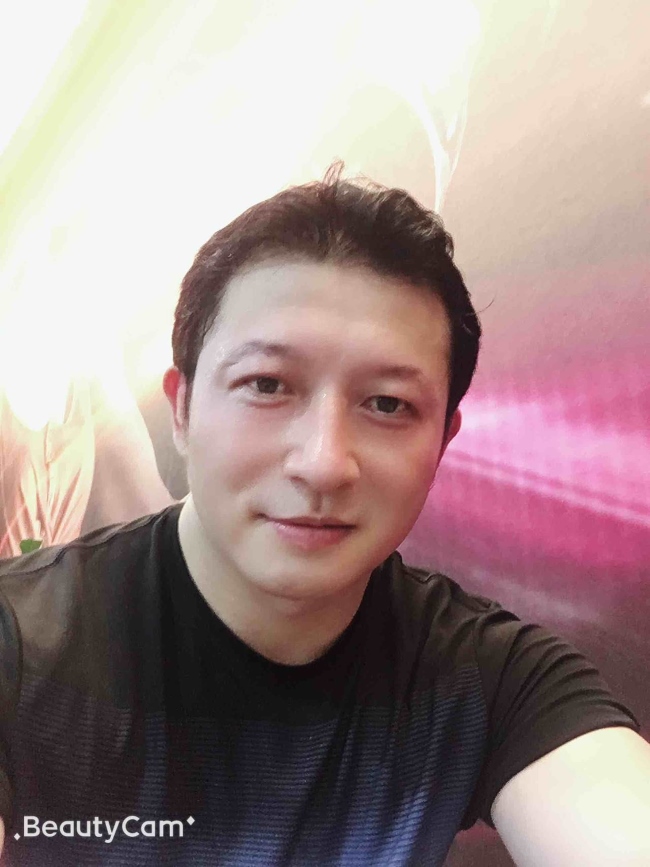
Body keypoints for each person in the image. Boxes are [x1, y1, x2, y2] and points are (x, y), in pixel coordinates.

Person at [0, 163, 648, 866]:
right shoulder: (22, 643)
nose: (324, 463)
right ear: (182, 409)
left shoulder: (493, 680)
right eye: (266, 384)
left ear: (443, 442)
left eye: (388, 404)